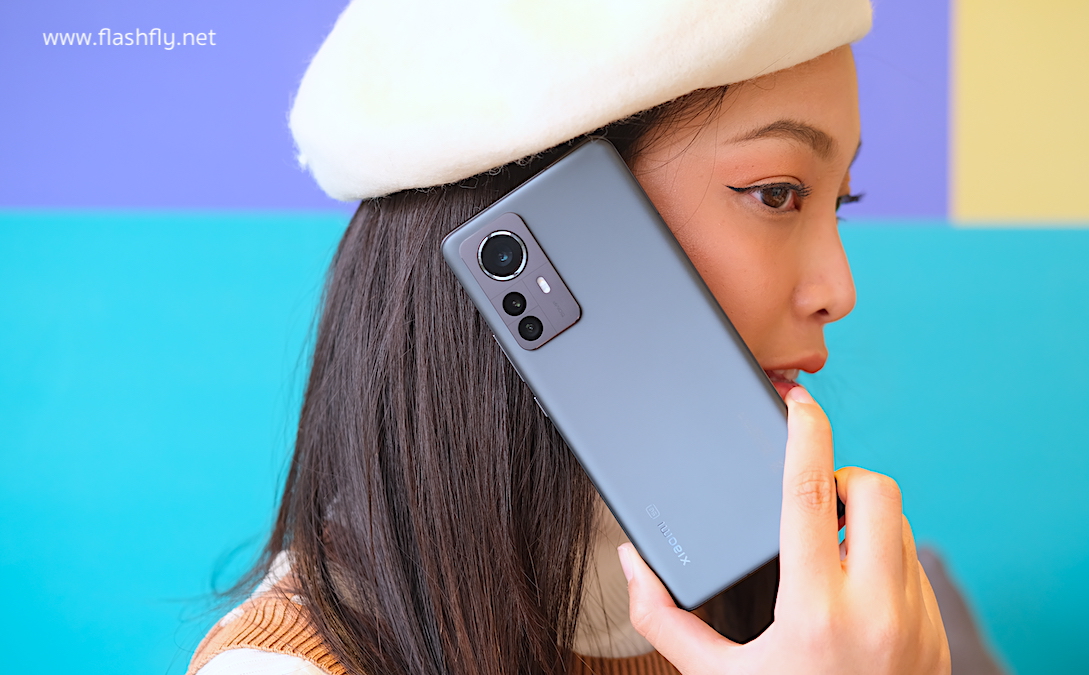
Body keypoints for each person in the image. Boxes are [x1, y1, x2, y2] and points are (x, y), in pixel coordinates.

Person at [187, 1, 978, 673]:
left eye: (841, 203)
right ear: (556, 227)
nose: (839, 290)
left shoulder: (862, 620)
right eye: (777, 193)